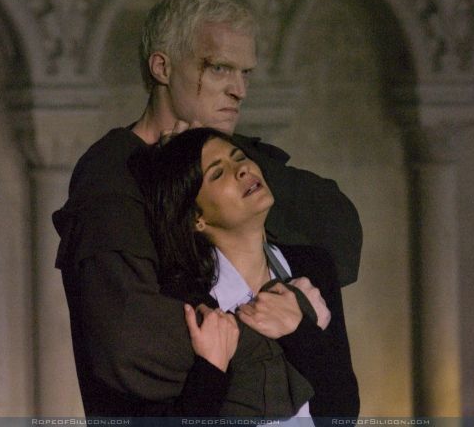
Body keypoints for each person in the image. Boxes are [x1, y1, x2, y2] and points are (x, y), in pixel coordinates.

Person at [52, 0, 362, 416]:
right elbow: (131, 346)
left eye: (245, 72)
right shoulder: (111, 177)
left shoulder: (240, 158)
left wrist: (219, 156)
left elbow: (341, 235)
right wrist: (293, 328)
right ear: (162, 67)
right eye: (219, 68)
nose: (239, 90)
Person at [131, 127, 358, 420]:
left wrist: (299, 330)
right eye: (217, 173)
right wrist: (211, 368)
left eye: (239, 157)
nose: (242, 169)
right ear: (196, 218)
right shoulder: (183, 300)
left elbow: (343, 413)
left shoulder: (312, 265)